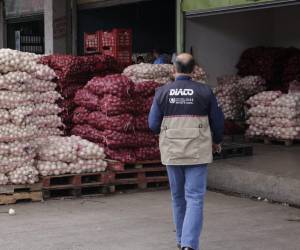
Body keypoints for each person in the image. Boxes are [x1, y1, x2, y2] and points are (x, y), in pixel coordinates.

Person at [148, 53, 224, 250]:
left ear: (174, 69)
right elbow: (218, 122)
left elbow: (153, 124)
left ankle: (182, 241)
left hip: (172, 151)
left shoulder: (162, 92)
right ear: (194, 70)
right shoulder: (205, 91)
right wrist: (216, 141)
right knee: (195, 198)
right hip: (198, 151)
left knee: (178, 198)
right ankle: (189, 245)